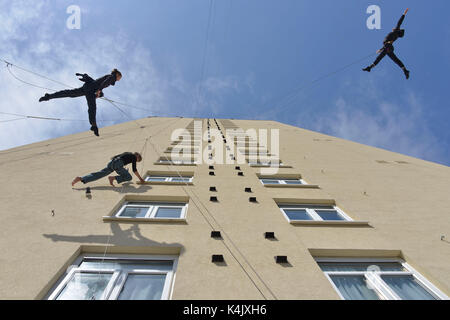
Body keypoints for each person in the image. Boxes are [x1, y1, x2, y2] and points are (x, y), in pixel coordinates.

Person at [39, 69, 122, 136]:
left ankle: (48, 96)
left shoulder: (109, 77)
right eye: (119, 77)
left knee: (69, 93)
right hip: (91, 90)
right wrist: (98, 91)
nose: (119, 79)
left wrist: (99, 92)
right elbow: (104, 83)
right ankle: (94, 125)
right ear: (117, 75)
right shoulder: (111, 77)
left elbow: (98, 82)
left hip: (88, 88)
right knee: (92, 108)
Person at [363, 9, 410, 79]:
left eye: (395, 28)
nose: (393, 28)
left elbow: (399, 22)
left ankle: (370, 67)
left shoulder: (396, 31)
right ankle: (405, 70)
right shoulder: (395, 35)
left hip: (388, 46)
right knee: (392, 59)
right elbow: (387, 43)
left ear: (398, 30)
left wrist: (404, 14)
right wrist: (381, 49)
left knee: (382, 57)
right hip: (388, 47)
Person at [71, 152, 145, 187]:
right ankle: (112, 178)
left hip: (112, 163)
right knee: (129, 177)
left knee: (99, 174)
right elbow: (134, 170)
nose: (136, 161)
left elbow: (116, 157)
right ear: (137, 156)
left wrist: (122, 168)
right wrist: (141, 179)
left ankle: (81, 178)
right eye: (138, 160)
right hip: (118, 164)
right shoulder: (133, 157)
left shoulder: (127, 153)